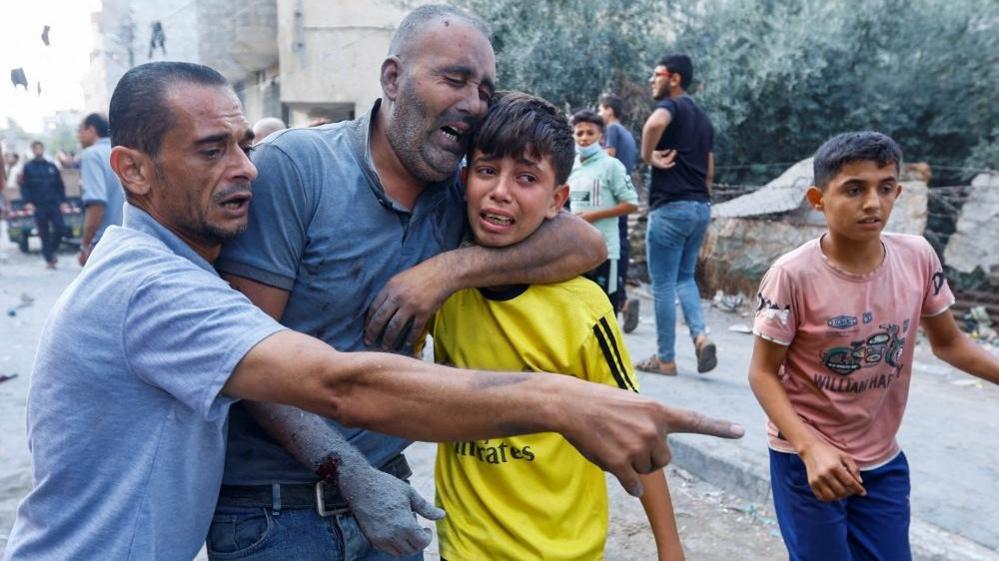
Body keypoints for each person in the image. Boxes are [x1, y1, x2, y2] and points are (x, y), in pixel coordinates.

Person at [2, 60, 743, 561]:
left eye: (240, 143)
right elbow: (339, 383)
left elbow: (577, 241)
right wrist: (561, 399)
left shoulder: (177, 269)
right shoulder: (150, 288)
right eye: (210, 150)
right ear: (131, 170)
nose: (244, 168)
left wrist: (443, 269)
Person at [210, 6, 630, 561]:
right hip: (276, 514)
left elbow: (585, 243)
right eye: (455, 79)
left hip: (391, 497)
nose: (475, 102)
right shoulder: (297, 166)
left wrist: (448, 269)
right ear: (392, 78)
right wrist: (349, 473)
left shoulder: (454, 196)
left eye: (484, 88)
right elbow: (243, 356)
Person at [427, 91, 685, 561]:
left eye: (527, 178)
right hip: (463, 547)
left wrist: (671, 550)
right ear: (464, 180)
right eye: (487, 171)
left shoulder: (583, 307)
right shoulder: (440, 286)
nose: (501, 190)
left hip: (563, 549)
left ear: (557, 199)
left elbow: (636, 430)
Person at [748, 131, 999, 561]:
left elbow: (950, 344)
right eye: (854, 189)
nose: (873, 203)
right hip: (808, 461)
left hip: (882, 461)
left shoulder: (918, 257)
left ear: (898, 192)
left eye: (885, 188)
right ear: (817, 198)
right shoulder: (791, 275)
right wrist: (810, 449)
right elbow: (762, 373)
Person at [636, 54, 717, 376]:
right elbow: (709, 170)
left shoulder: (672, 107)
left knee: (663, 284)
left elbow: (653, 124)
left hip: (671, 207)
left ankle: (666, 359)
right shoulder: (704, 119)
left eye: (656, 74)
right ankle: (700, 337)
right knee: (685, 277)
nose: (651, 81)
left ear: (675, 79)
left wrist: (648, 157)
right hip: (700, 207)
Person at [568, 109, 639, 309]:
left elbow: (632, 203)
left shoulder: (612, 166)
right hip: (575, 252)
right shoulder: (571, 168)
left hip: (605, 252)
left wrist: (594, 216)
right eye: (579, 133)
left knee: (605, 310)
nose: (584, 138)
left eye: (590, 133)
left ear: (601, 137)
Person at [598, 93, 642, 332]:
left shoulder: (613, 130)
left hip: (612, 194)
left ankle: (618, 298)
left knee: (611, 247)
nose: (599, 113)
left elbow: (609, 155)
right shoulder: (628, 134)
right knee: (621, 243)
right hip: (625, 190)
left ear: (609, 111)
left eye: (601, 108)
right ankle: (623, 298)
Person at [77, 112, 126, 266]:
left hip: (105, 243)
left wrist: (85, 245)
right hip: (130, 238)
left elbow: (97, 204)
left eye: (80, 131)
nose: (78, 136)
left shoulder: (91, 155)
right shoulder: (122, 151)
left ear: (91, 130)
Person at [19, 140, 67, 268]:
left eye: (40, 148)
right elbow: (24, 186)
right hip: (38, 205)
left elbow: (60, 185)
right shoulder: (28, 167)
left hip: (53, 204)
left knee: (61, 228)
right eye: (36, 148)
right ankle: (50, 259)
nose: (38, 150)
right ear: (33, 150)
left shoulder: (51, 166)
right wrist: (28, 202)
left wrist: (62, 202)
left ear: (43, 149)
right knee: (44, 233)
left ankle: (51, 251)